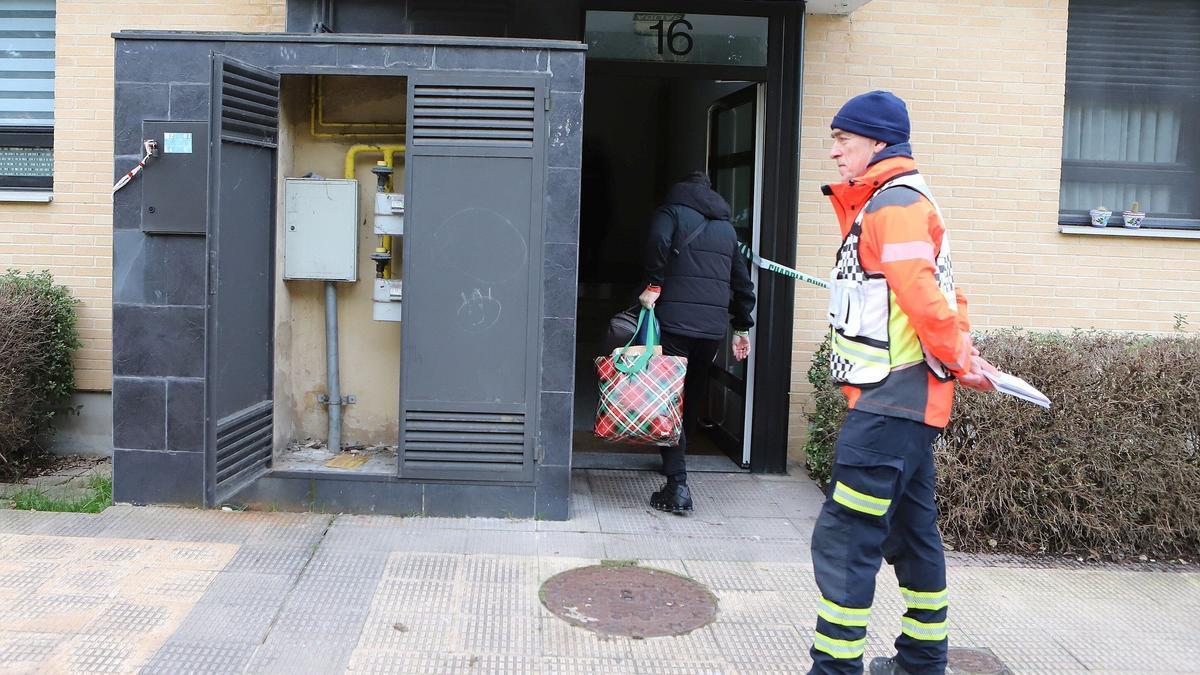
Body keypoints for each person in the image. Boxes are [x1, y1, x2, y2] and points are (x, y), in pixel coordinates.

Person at [807, 91, 998, 675]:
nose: (835, 151)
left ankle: (834, 669)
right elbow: (949, 294)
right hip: (908, 405)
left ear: (878, 143)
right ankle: (921, 662)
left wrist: (961, 357)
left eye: (844, 140)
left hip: (890, 406)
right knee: (913, 535)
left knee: (846, 538)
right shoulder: (902, 203)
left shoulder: (892, 207)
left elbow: (924, 298)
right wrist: (958, 354)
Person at [638, 171, 756, 514]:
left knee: (668, 397)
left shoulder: (670, 213)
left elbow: (657, 243)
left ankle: (677, 484)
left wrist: (654, 283)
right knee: (691, 391)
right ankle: (676, 459)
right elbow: (742, 281)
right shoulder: (726, 229)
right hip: (711, 328)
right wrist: (742, 327)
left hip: (675, 321)